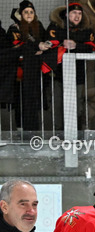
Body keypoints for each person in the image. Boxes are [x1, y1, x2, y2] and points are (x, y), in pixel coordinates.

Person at [45, 2, 95, 130]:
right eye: (74, 13)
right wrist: (62, 43)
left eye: (79, 13)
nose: (77, 16)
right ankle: (59, 137)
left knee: (76, 107)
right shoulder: (55, 27)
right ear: (67, 14)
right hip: (57, 76)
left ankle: (75, 137)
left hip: (78, 77)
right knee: (57, 106)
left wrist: (75, 46)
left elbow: (91, 47)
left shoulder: (86, 30)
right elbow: (48, 44)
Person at [7, 1, 48, 134]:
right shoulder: (14, 28)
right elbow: (17, 46)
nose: (29, 14)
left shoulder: (39, 26)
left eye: (31, 12)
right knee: (20, 102)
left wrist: (43, 47)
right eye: (26, 12)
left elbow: (47, 42)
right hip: (20, 74)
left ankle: (34, 133)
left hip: (36, 72)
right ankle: (20, 131)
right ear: (21, 14)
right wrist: (36, 48)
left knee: (34, 103)